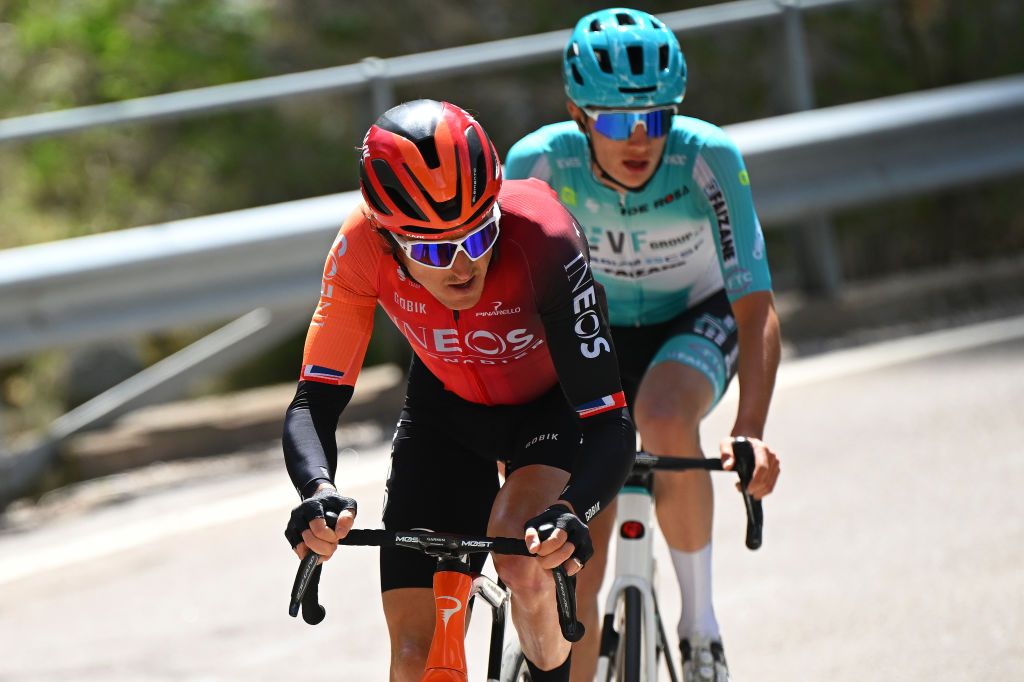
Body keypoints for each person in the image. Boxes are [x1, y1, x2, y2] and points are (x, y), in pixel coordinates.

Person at [281, 99, 637, 682]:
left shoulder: (543, 237)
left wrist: (571, 511)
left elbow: (610, 421)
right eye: (430, 251)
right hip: (446, 415)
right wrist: (317, 491)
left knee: (522, 560)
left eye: (477, 237)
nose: (462, 268)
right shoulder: (358, 249)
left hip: (553, 408)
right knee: (412, 662)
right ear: (388, 240)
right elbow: (314, 402)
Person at [505, 9, 782, 682]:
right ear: (577, 111)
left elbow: (755, 307)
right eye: (614, 119)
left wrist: (749, 431)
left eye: (656, 118)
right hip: (589, 334)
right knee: (575, 567)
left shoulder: (707, 156)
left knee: (661, 415)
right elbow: (513, 311)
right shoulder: (537, 163)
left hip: (692, 318)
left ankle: (700, 628)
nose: (638, 139)